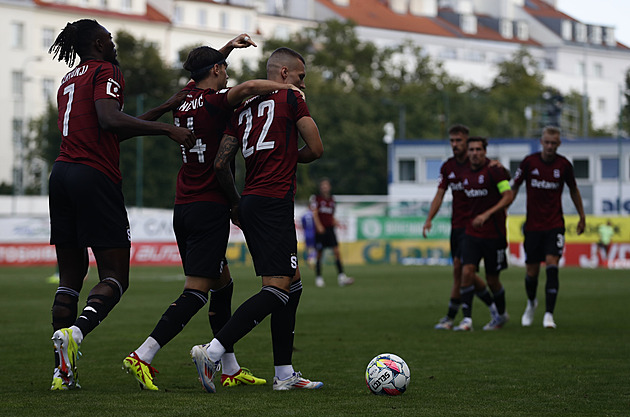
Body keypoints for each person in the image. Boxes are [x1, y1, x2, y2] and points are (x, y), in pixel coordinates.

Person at [121, 36, 305, 391]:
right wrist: (289, 91)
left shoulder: (185, 100)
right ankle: (144, 353)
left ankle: (231, 367)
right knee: (196, 292)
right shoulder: (217, 102)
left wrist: (229, 47)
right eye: (224, 71)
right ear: (217, 72)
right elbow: (249, 86)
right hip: (209, 206)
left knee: (224, 285)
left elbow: (202, 68)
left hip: (183, 204)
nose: (227, 78)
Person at [47, 19, 195, 391]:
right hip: (93, 177)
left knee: (69, 279)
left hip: (62, 174)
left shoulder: (69, 79)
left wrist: (162, 108)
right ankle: (76, 334)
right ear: (97, 43)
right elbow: (109, 119)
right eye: (109, 39)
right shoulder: (106, 69)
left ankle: (61, 372)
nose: (113, 44)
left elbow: (110, 131)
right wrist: (168, 129)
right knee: (114, 277)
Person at [194, 47, 324, 392]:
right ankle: (213, 352)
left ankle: (284, 374)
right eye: (300, 77)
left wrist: (237, 202)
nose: (302, 84)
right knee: (277, 286)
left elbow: (221, 163)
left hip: (250, 200)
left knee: (291, 283)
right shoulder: (291, 100)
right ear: (283, 74)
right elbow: (316, 147)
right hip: (274, 201)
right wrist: (287, 158)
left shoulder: (240, 109)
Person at [423, 124, 499, 330]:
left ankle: (457, 318)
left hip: (473, 227)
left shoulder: (479, 165)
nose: (455, 144)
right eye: (452, 141)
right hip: (456, 226)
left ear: (467, 142)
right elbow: (440, 193)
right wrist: (429, 218)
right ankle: (494, 310)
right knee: (461, 272)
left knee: (462, 269)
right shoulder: (448, 167)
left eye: (459, 141)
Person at [512, 126, 586, 329]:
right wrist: (503, 208)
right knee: (532, 272)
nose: (550, 146)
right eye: (547, 142)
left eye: (554, 143)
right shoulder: (529, 162)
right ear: (541, 142)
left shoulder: (564, 165)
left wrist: (581, 215)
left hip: (555, 225)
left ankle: (548, 315)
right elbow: (514, 186)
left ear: (559, 144)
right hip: (533, 226)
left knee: (552, 267)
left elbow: (573, 190)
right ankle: (531, 303)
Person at [456, 137, 513, 331]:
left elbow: (508, 195)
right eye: (471, 149)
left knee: (492, 280)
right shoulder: (464, 174)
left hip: (494, 235)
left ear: (485, 152)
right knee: (467, 272)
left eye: (478, 149)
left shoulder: (494, 171)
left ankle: (501, 315)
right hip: (472, 232)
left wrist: (487, 214)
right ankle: (467, 320)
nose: (474, 153)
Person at [310, 178, 354, 287]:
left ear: (329, 187)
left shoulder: (332, 200)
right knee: (319, 254)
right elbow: (314, 214)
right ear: (320, 187)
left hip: (330, 230)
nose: (324, 187)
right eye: (322, 185)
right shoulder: (316, 199)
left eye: (326, 185)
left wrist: (336, 222)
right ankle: (319, 277)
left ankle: (341, 277)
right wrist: (319, 225)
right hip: (320, 230)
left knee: (337, 252)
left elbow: (331, 216)